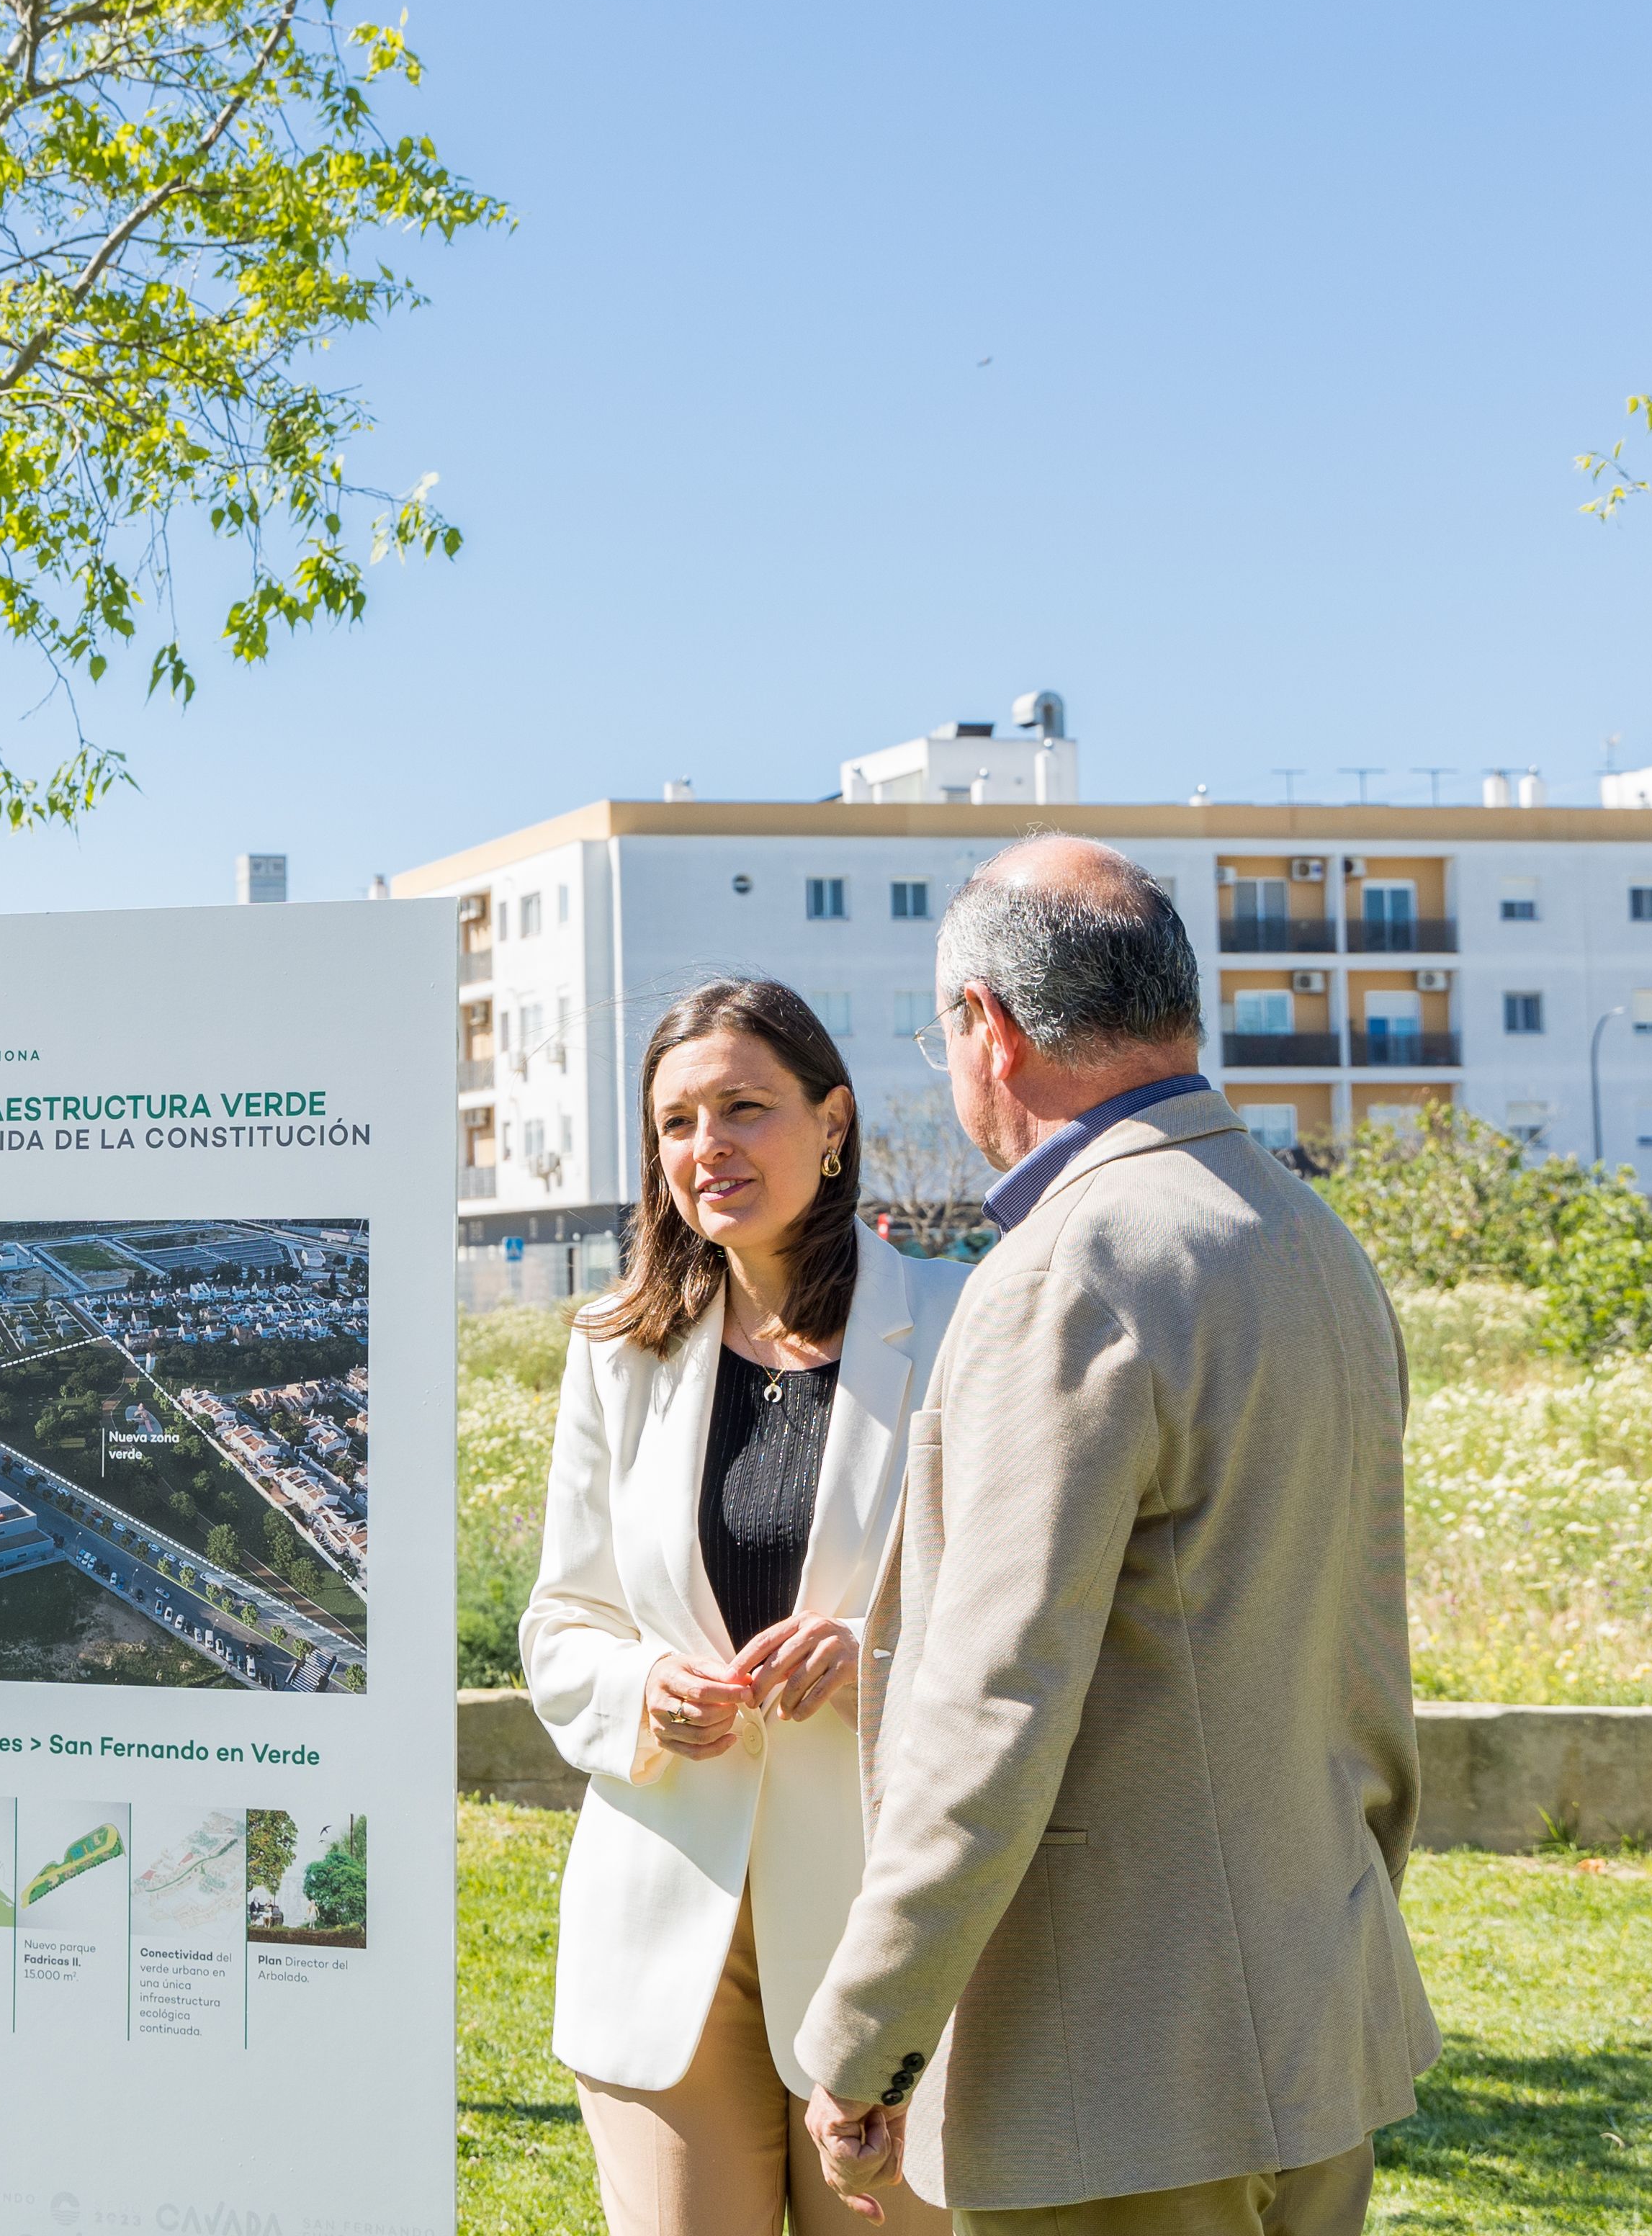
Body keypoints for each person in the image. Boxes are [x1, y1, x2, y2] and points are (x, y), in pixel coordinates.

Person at [797, 838, 1436, 2235]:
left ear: (992, 1030)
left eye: (943, 1027)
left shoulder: (1074, 1270)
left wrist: (868, 2038)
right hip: (1312, 2021)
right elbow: (1368, 1661)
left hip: (1116, 2077)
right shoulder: (1306, 1236)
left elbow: (991, 1702)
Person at [523, 978, 973, 2236]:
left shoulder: (958, 1325)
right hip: (665, 1930)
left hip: (886, 1932)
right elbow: (562, 1626)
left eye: (744, 1108)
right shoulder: (618, 1346)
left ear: (832, 1124)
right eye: (676, 1123)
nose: (706, 1147)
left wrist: (872, 1653)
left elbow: (1023, 1610)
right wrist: (641, 1693)